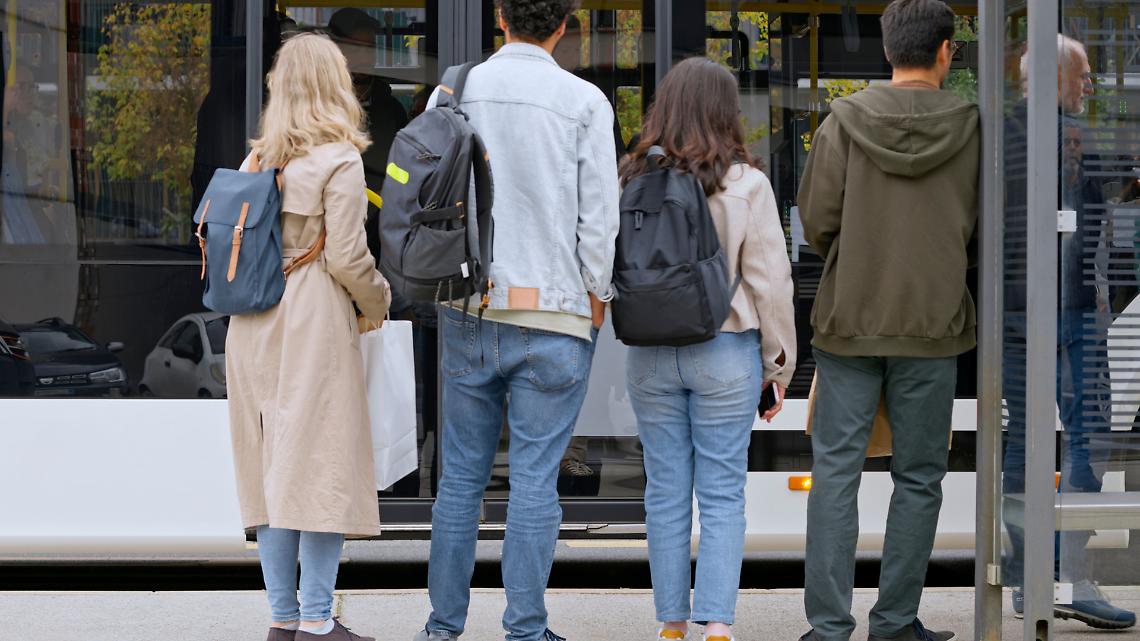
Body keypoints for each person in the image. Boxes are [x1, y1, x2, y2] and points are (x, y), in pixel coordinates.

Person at [412, 1, 619, 640]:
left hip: (469, 305)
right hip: (555, 311)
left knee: (460, 481)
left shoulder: (453, 92)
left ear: (500, 18)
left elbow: (426, 193)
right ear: (563, 26)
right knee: (534, 483)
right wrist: (597, 294)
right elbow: (599, 216)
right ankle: (526, 629)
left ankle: (442, 627)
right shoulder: (584, 101)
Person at [796, 2, 979, 641]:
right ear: (946, 50)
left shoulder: (842, 121)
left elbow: (817, 222)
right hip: (933, 325)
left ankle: (828, 627)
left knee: (835, 475)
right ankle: (896, 621)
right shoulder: (972, 128)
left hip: (848, 321)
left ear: (887, 49)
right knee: (920, 478)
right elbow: (983, 231)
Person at [617, 57, 797, 641]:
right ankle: (717, 623)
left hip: (648, 353)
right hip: (724, 348)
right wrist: (778, 366)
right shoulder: (746, 184)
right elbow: (771, 284)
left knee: (665, 490)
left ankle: (672, 623)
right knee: (721, 492)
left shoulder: (630, 177)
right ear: (727, 112)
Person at [226, 32, 391, 641]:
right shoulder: (340, 160)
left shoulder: (254, 163)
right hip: (311, 319)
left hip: (251, 324)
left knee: (272, 469)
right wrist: (379, 300)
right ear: (335, 87)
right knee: (321, 463)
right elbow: (348, 258)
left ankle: (283, 619)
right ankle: (319, 620)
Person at [1001, 34, 1136, 629]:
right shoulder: (1079, 136)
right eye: (1082, 75)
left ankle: (1027, 579)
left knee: (1022, 441)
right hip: (1072, 310)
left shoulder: (1000, 133)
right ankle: (1072, 578)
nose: (1088, 85)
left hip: (1012, 311)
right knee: (1087, 439)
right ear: (1057, 77)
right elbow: (1118, 187)